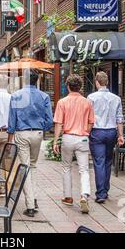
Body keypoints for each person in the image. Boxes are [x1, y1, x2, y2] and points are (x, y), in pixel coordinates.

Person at [7, 69, 53, 217]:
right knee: (33, 166)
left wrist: (10, 136)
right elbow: (49, 120)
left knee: (25, 167)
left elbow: (12, 120)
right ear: (37, 80)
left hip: (22, 133)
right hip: (38, 133)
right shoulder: (44, 96)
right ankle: (33, 197)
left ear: (25, 80)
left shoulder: (16, 96)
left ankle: (30, 205)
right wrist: (43, 129)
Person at [53, 74, 95, 214]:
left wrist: (55, 141)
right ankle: (84, 195)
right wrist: (85, 132)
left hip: (68, 137)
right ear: (80, 87)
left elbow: (59, 123)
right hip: (82, 137)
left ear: (68, 86)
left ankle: (68, 197)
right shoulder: (87, 102)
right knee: (83, 169)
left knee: (66, 167)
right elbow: (91, 122)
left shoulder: (62, 102)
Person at [87, 71, 125, 203]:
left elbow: (89, 118)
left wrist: (86, 133)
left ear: (97, 82)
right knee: (108, 161)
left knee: (99, 162)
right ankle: (105, 189)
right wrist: (121, 135)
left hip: (97, 132)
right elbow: (120, 118)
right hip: (111, 132)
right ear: (107, 82)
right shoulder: (116, 98)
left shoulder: (91, 98)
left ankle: (101, 193)